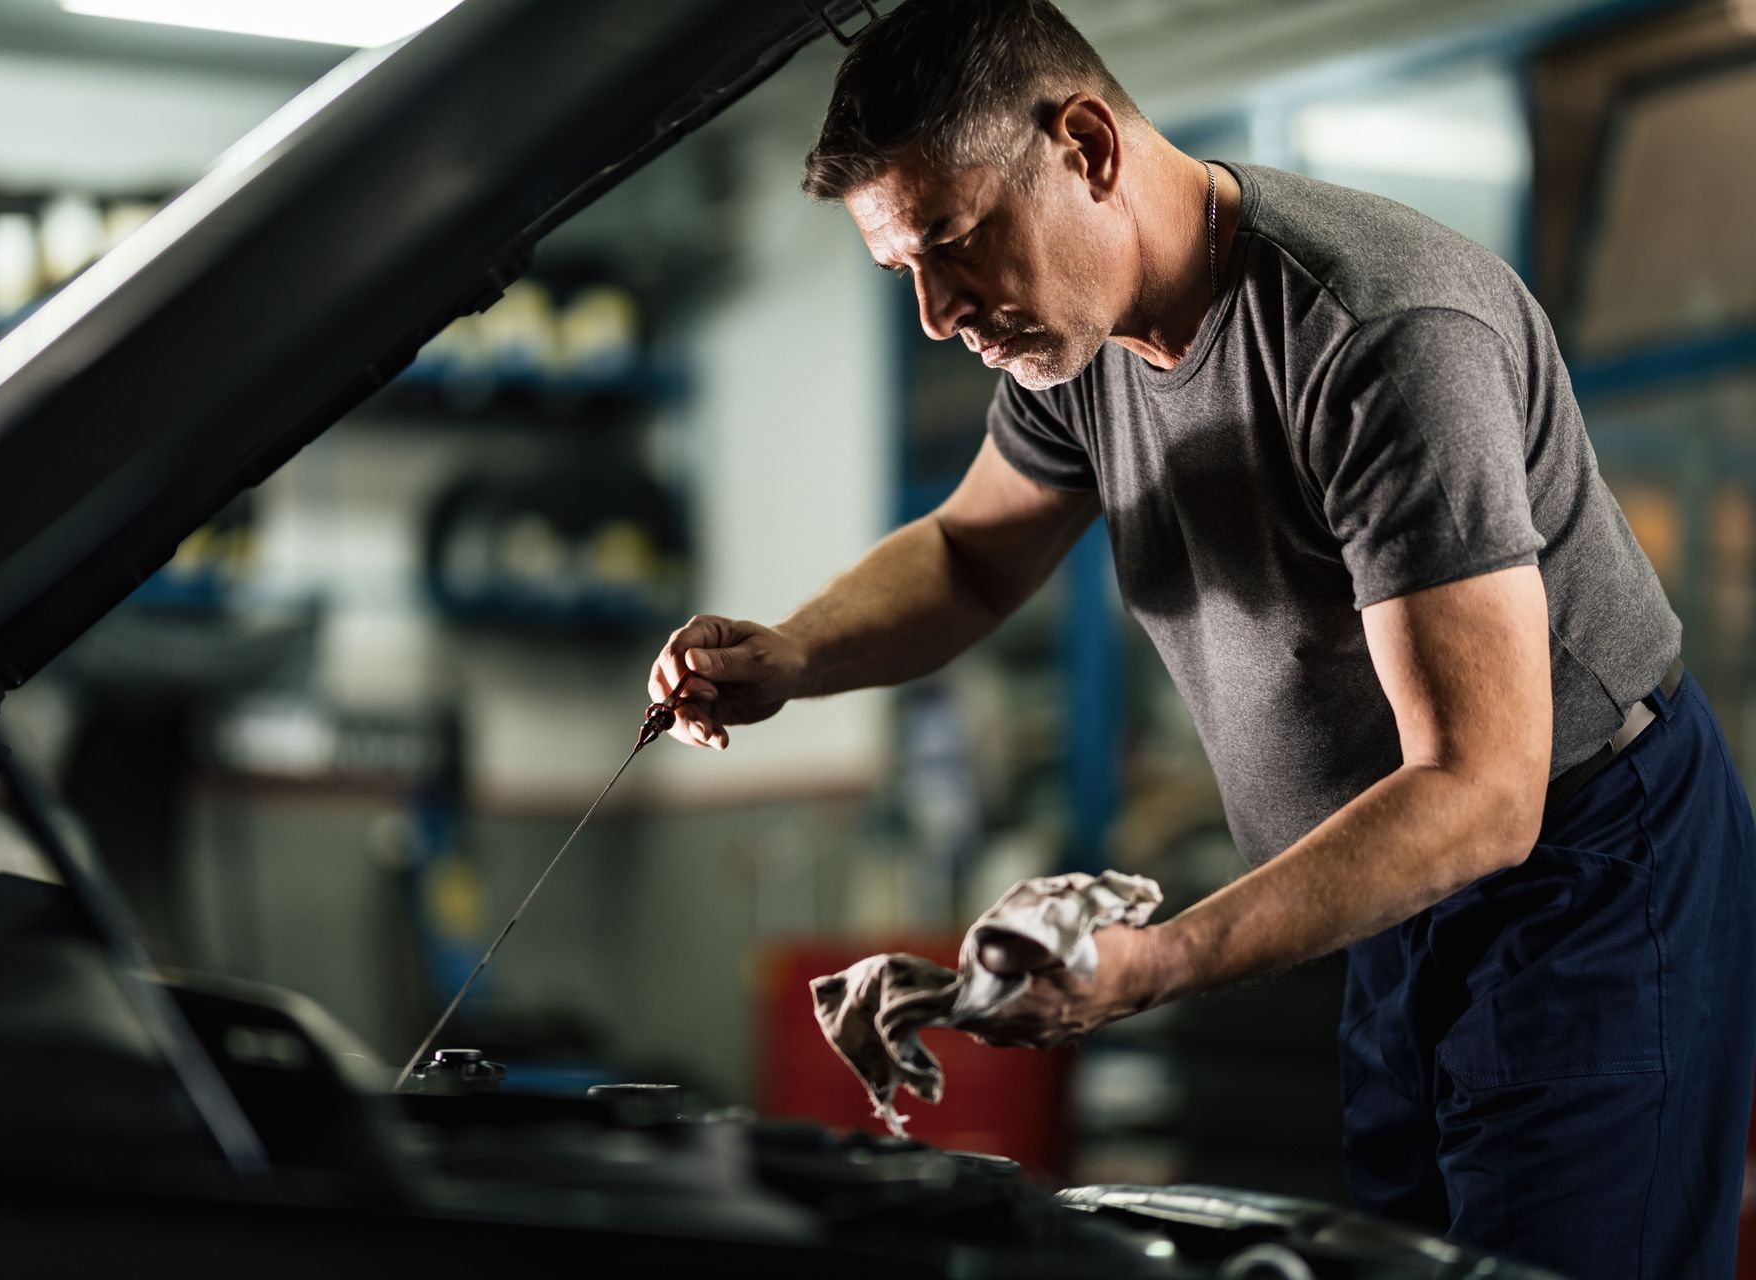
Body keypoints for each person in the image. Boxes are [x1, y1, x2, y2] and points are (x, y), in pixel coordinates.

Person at [645, 1, 1756, 1274]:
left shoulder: (1378, 334)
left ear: (1087, 146)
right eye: (906, 274)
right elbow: (967, 549)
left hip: (1585, 870)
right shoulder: (1078, 341)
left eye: (955, 243)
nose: (942, 315)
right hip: (1394, 894)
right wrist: (794, 653)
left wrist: (1152, 961)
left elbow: (1481, 788)